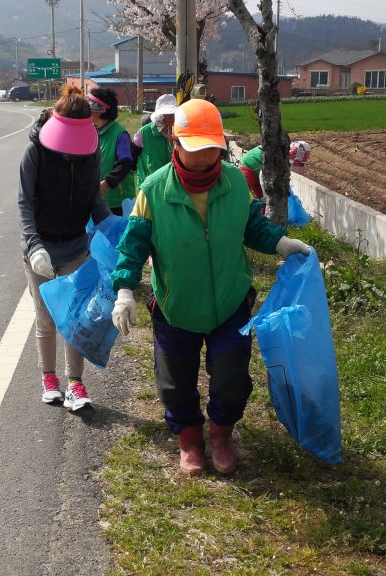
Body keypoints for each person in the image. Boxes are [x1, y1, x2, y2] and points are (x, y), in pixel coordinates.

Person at [110, 99, 311, 476]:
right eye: (195, 148)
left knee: (233, 378)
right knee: (175, 380)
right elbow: (133, 244)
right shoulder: (153, 191)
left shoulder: (235, 183)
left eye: (211, 149)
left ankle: (220, 433)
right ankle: (189, 438)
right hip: (176, 304)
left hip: (229, 301)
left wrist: (282, 243)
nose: (204, 157)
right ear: (176, 143)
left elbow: (252, 224)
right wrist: (124, 289)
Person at [18, 86, 111, 411]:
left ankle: (75, 383)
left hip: (75, 247)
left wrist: (109, 225)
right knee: (45, 320)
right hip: (40, 248)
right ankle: (49, 378)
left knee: (75, 319)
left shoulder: (90, 150)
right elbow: (25, 204)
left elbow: (93, 200)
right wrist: (34, 247)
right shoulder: (36, 152)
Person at [88, 88, 135, 215]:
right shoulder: (90, 130)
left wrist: (107, 183)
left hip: (117, 201)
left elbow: (125, 162)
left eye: (89, 105)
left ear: (99, 110)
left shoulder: (119, 134)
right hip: (95, 199)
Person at [238, 140, 312, 203]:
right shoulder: (274, 156)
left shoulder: (283, 152)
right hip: (248, 168)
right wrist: (266, 196)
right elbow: (263, 175)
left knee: (262, 198)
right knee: (246, 197)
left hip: (257, 169)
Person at [132, 94, 179, 189]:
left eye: (173, 113)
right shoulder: (144, 132)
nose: (172, 116)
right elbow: (132, 156)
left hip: (173, 185)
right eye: (168, 114)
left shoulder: (179, 131)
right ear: (160, 116)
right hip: (149, 186)